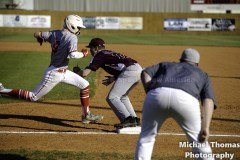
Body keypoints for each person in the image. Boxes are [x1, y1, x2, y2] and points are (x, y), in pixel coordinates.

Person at [0, 15, 103, 124]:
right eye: (78, 27)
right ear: (72, 25)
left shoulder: (54, 33)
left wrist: (39, 37)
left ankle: (86, 115)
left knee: (85, 85)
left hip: (62, 71)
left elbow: (37, 34)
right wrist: (83, 54)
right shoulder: (72, 37)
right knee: (33, 96)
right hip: (54, 73)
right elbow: (72, 55)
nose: (79, 29)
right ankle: (2, 90)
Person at [135, 48, 216, 160]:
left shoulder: (166, 64)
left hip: (157, 94)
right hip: (186, 99)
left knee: (146, 139)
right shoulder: (202, 74)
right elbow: (208, 100)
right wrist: (205, 127)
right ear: (197, 64)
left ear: (181, 59)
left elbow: (145, 73)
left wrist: (150, 92)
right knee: (199, 141)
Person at [73, 38, 142, 128]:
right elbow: (122, 66)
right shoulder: (108, 53)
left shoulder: (98, 55)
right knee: (123, 96)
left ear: (96, 48)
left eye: (91, 48)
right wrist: (113, 78)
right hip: (138, 70)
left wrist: (77, 71)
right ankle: (134, 119)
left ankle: (127, 119)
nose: (90, 50)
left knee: (112, 97)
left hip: (130, 71)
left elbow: (84, 73)